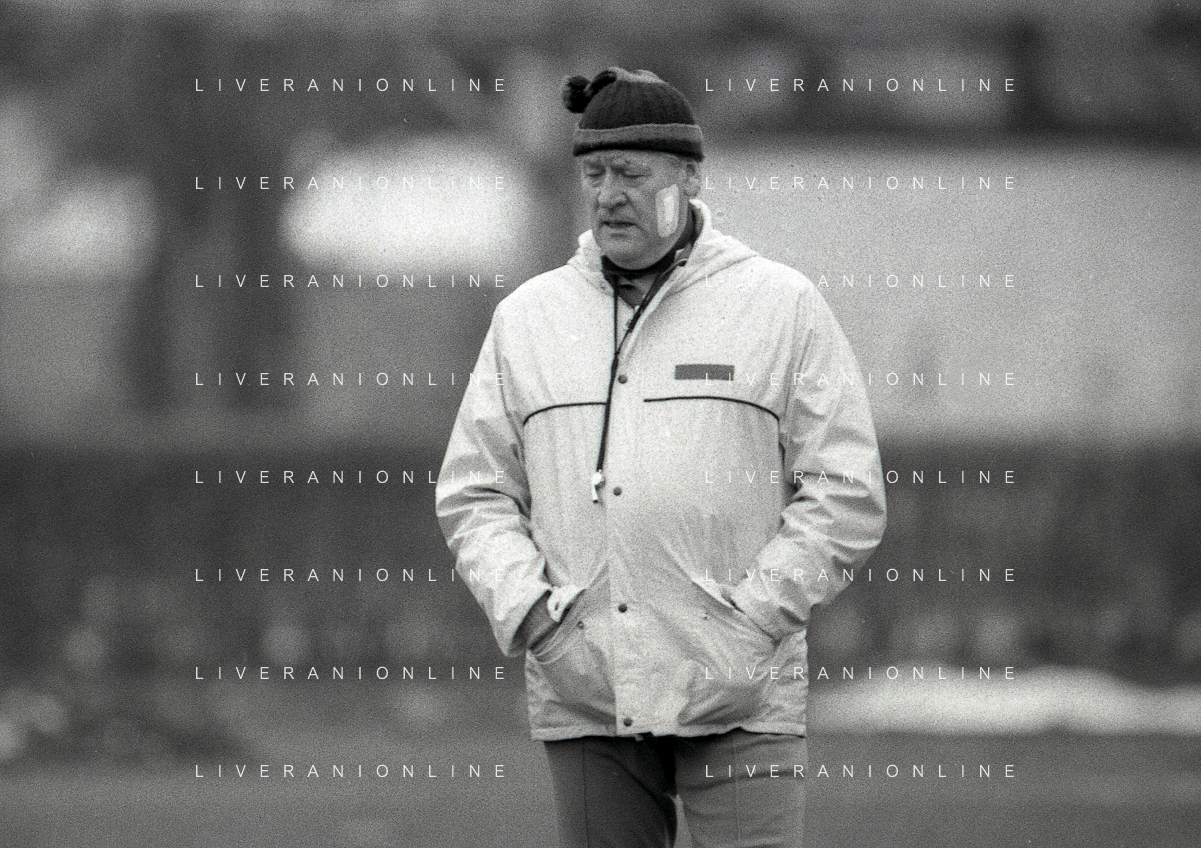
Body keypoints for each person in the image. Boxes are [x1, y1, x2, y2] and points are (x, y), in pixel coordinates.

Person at [436, 67, 886, 848]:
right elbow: (475, 494)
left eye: (631, 173)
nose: (608, 195)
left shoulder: (780, 307)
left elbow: (845, 491)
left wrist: (751, 624)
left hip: (742, 694)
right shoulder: (527, 320)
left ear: (688, 178)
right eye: (593, 174)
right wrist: (541, 625)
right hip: (586, 693)